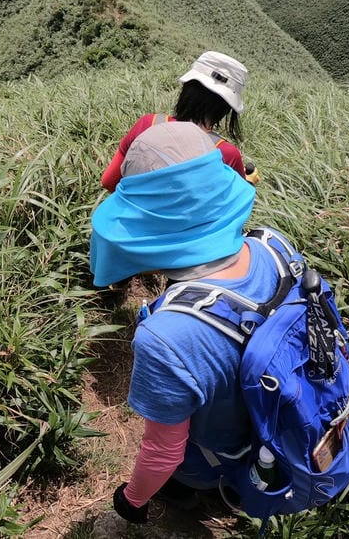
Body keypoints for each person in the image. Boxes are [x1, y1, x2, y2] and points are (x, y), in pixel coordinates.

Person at [89, 119, 280, 525]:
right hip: (286, 428)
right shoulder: (273, 247)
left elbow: (163, 452)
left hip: (230, 455)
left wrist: (131, 501)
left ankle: (197, 489)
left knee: (175, 468)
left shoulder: (166, 336)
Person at [100, 51, 257, 192]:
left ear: (186, 89)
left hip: (128, 222)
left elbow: (108, 182)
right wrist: (247, 184)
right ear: (227, 108)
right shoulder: (227, 155)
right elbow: (231, 210)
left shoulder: (148, 123)